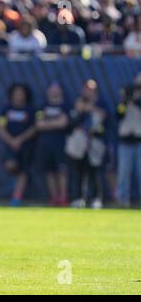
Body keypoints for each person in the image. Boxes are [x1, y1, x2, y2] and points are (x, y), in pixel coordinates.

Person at [66, 80, 109, 209]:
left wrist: (91, 107)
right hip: (79, 142)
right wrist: (81, 109)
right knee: (79, 171)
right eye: (86, 89)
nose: (88, 91)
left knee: (94, 171)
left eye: (91, 89)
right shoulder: (78, 102)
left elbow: (104, 117)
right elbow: (72, 120)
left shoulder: (101, 103)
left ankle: (96, 198)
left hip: (95, 141)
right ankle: (79, 198)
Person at [0, 84, 37, 207]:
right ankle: (15, 182)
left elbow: (35, 127)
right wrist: (11, 141)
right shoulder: (6, 109)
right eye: (16, 93)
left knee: (23, 171)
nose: (19, 96)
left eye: (21, 93)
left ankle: (16, 198)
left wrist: (21, 139)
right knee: (11, 166)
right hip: (10, 145)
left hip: (26, 145)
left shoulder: (30, 110)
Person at [35, 83, 70, 206]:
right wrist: (55, 123)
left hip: (61, 143)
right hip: (45, 144)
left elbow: (63, 123)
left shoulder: (65, 105)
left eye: (57, 89)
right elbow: (39, 125)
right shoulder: (42, 106)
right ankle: (54, 198)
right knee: (50, 172)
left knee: (62, 171)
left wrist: (47, 123)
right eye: (52, 89)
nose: (54, 92)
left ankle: (63, 198)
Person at [116, 76, 141, 207]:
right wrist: (127, 99)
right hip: (125, 142)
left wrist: (136, 99)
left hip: (139, 140)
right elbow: (119, 114)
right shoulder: (124, 102)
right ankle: (122, 200)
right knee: (124, 173)